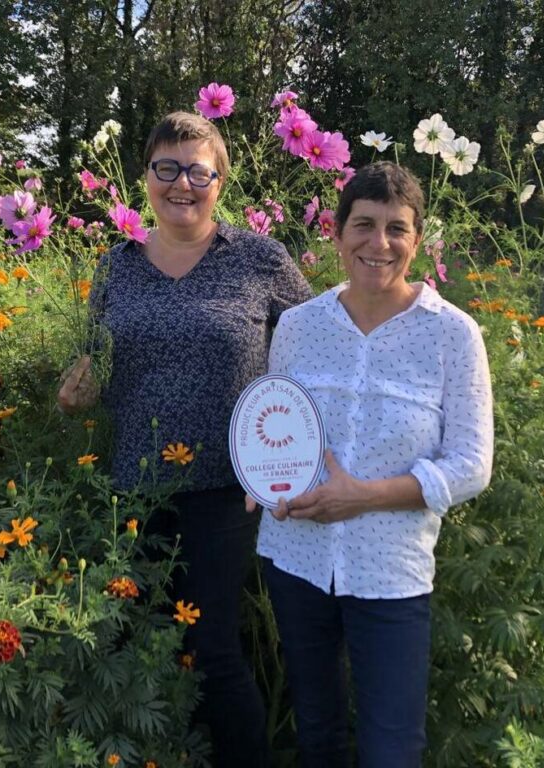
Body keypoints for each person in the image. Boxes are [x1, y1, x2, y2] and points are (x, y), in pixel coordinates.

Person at [57, 111, 312, 768]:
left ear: (220, 182)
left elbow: (315, 355)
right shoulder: (116, 268)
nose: (182, 184)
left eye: (199, 170)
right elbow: (98, 367)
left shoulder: (260, 259)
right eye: (166, 168)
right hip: (131, 491)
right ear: (145, 178)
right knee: (137, 648)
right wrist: (76, 395)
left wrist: (283, 463)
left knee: (213, 652)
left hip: (226, 493)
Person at [250, 162, 493, 767]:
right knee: (317, 733)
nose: (377, 243)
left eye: (396, 229)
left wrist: (363, 496)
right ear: (337, 234)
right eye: (363, 224)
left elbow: (472, 463)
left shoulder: (453, 336)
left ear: (417, 241)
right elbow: (277, 423)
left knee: (392, 748)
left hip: (391, 570)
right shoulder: (300, 326)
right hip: (297, 556)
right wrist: (263, 480)